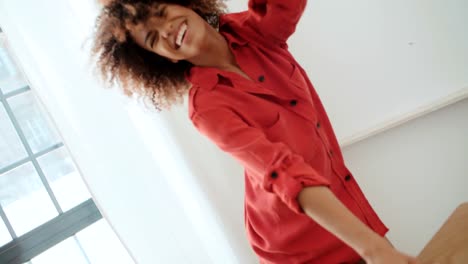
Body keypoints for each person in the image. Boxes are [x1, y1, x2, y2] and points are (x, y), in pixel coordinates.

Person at [92, 0, 420, 263]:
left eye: (163, 14)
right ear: (157, 58)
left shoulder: (255, 33)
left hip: (344, 214)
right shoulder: (207, 108)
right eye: (152, 39)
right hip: (293, 246)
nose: (165, 31)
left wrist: (374, 248)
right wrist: (374, 249)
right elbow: (283, 171)